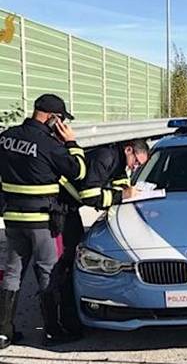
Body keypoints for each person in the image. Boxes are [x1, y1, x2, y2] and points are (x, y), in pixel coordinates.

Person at [0, 94, 86, 348]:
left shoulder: (5, 137)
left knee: (12, 274)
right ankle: (53, 330)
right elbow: (78, 171)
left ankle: (3, 333)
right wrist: (71, 142)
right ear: (53, 118)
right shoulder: (49, 144)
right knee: (49, 272)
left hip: (13, 219)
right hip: (43, 221)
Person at [53, 139, 149, 332]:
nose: (135, 167)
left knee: (71, 254)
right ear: (128, 150)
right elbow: (89, 195)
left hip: (69, 208)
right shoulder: (106, 157)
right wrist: (122, 196)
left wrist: (128, 190)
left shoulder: (119, 160)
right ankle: (65, 314)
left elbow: (120, 181)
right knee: (68, 258)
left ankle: (68, 310)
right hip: (60, 207)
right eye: (136, 162)